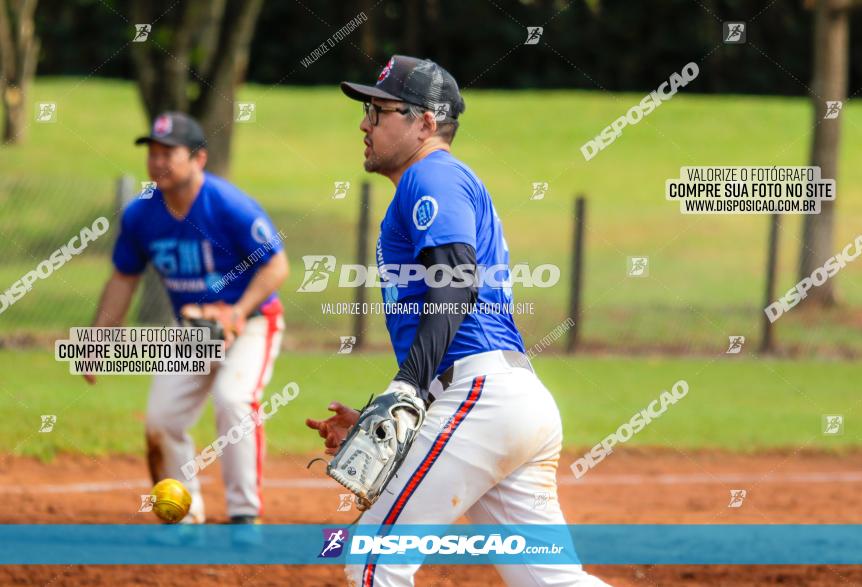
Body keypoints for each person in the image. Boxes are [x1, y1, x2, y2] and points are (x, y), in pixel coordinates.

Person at [306, 56, 610, 586]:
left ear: (426, 121)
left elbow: (456, 282)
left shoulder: (433, 174)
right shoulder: (434, 181)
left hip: (482, 398)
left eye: (378, 111)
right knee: (551, 582)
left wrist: (406, 387)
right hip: (501, 400)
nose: (364, 124)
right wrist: (411, 402)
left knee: (373, 561)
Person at [87, 112, 289, 524]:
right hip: (194, 331)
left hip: (250, 323)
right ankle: (183, 513)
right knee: (163, 419)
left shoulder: (227, 204)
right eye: (153, 153)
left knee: (233, 401)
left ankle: (244, 515)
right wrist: (98, 338)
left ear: (199, 158)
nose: (158, 161)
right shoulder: (141, 215)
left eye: (169, 153)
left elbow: (277, 266)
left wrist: (237, 310)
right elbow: (123, 279)